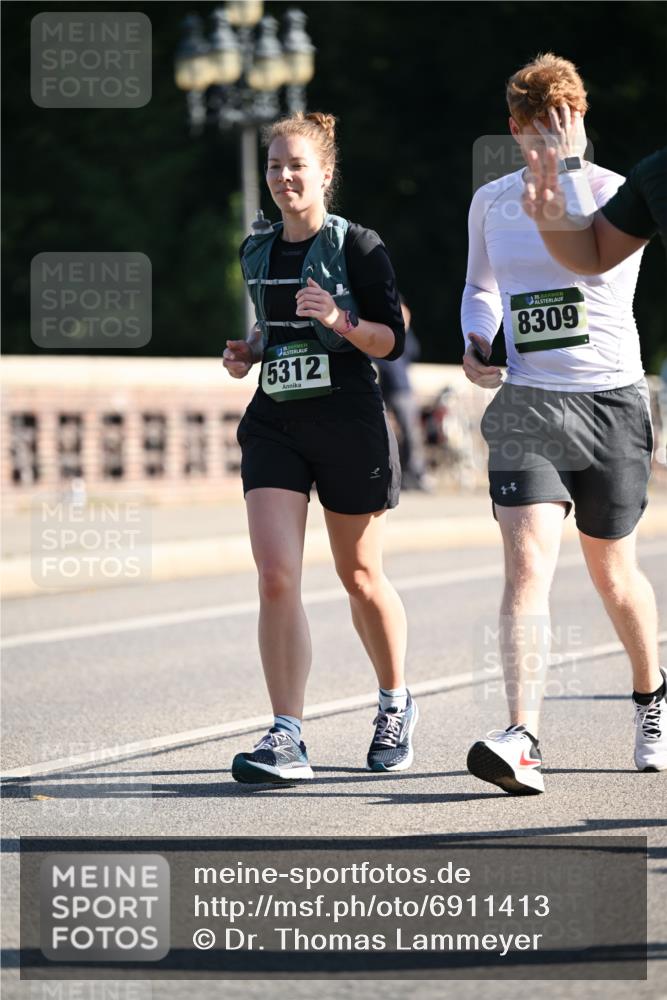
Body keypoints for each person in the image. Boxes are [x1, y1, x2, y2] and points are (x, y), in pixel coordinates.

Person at [461, 53, 666, 794]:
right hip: (528, 401)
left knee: (613, 573)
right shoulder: (490, 202)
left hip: (610, 403)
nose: (550, 140)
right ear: (514, 129)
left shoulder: (616, 192)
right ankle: (522, 735)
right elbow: (480, 286)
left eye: (565, 125)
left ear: (580, 121)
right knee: (525, 566)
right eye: (538, 130)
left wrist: (570, 174)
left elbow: (591, 268)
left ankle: (650, 697)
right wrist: (477, 335)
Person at [223, 111, 418, 785]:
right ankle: (286, 735)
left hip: (346, 417)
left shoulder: (358, 246)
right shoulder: (256, 247)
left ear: (324, 174)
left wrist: (338, 319)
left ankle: (394, 703)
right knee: (276, 576)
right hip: (275, 418)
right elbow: (270, 325)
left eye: (295, 165)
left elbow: (390, 339)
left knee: (359, 577)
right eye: (274, 165)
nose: (282, 176)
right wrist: (250, 350)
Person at [522, 132, 665, 273]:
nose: (558, 136)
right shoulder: (655, 172)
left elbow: (598, 277)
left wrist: (571, 165)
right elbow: (595, 258)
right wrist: (548, 218)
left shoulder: (612, 184)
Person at [375, 295, 431, 490]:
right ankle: (385, 474)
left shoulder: (403, 333)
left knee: (411, 433)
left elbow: (413, 352)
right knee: (380, 434)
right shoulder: (377, 328)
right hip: (381, 388)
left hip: (402, 389)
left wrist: (405, 328)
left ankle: (414, 474)